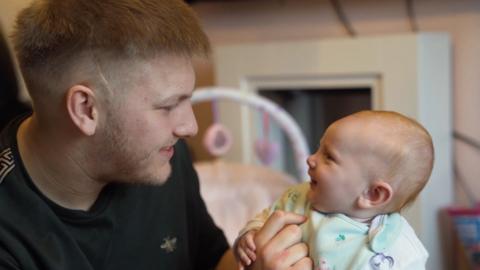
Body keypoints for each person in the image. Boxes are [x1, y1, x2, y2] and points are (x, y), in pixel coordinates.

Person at [0, 0, 312, 269]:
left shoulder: (163, 158)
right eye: (167, 107)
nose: (189, 127)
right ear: (86, 110)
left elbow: (211, 262)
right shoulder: (10, 238)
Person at [235, 110, 434, 270]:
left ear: (372, 194)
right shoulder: (297, 197)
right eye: (319, 148)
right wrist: (248, 238)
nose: (311, 159)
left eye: (329, 156)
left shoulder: (395, 251)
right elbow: (263, 221)